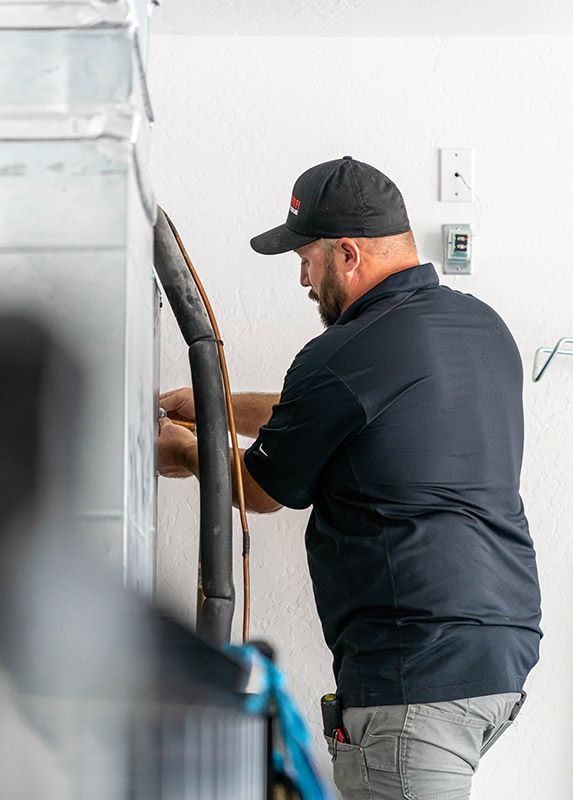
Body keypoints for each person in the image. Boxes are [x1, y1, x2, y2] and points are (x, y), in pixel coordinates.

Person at [158, 156, 542, 799]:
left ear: (347, 254)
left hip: (415, 673)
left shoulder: (345, 352)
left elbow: (263, 489)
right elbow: (338, 413)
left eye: (304, 258)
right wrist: (219, 404)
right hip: (497, 655)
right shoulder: (480, 327)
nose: (303, 278)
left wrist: (186, 451)